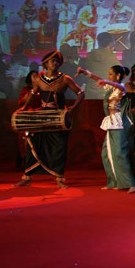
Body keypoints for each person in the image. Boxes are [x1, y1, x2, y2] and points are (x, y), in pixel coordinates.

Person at [15, 51, 84, 189]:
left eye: (57, 61)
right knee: (33, 144)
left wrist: (73, 108)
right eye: (53, 61)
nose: (56, 63)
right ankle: (27, 176)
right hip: (42, 116)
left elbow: (81, 93)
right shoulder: (40, 80)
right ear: (45, 64)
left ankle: (59, 178)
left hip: (58, 117)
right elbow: (32, 94)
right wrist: (24, 108)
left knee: (59, 146)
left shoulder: (65, 79)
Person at [78, 65, 135, 193]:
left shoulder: (121, 88)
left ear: (118, 76)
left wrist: (106, 81)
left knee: (119, 153)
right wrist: (84, 72)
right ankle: (113, 182)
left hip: (119, 122)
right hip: (111, 122)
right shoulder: (111, 87)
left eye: (111, 74)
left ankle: (131, 183)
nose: (108, 76)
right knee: (106, 153)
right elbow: (98, 78)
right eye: (108, 74)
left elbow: (118, 86)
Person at [16, 71, 41, 169]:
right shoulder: (26, 90)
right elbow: (22, 101)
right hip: (26, 118)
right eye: (34, 76)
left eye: (38, 76)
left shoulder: (42, 90)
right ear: (29, 79)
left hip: (37, 118)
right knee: (25, 139)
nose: (36, 78)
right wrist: (32, 92)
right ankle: (25, 160)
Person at [82, 32, 119, 96]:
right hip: (106, 94)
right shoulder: (112, 57)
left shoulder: (89, 56)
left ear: (98, 42)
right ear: (110, 43)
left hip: (90, 94)